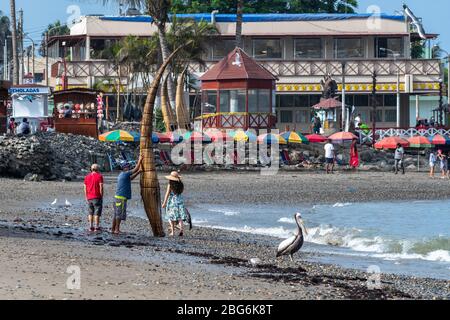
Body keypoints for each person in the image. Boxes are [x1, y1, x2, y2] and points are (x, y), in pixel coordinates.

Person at [112, 157, 143, 235]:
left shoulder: (122, 175)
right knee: (119, 215)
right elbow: (135, 169)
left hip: (117, 198)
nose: (129, 168)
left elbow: (131, 178)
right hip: (121, 198)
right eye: (128, 167)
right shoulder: (125, 173)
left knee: (116, 214)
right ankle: (116, 229)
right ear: (125, 168)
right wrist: (139, 160)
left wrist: (139, 172)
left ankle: (113, 229)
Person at [162, 171, 187, 237]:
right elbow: (180, 192)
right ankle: (181, 230)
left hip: (172, 201)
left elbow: (167, 194)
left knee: (171, 217)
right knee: (180, 216)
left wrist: (164, 202)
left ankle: (173, 232)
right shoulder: (180, 184)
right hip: (180, 200)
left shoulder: (170, 184)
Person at [84, 164, 104, 232]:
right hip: (97, 197)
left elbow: (85, 188)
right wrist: (101, 196)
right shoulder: (99, 176)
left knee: (90, 212)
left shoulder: (87, 176)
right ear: (98, 169)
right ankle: (96, 227)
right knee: (97, 213)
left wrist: (86, 196)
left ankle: (90, 226)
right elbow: (101, 187)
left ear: (91, 169)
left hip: (89, 197)